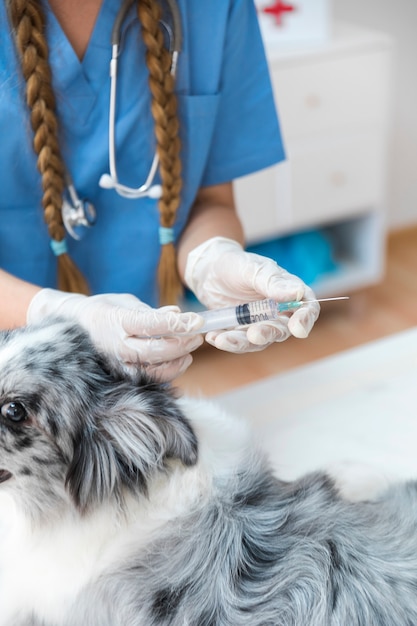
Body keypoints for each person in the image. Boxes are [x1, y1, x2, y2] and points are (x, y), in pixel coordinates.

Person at [0, 0, 320, 381]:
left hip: (134, 370)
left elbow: (210, 202)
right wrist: (54, 314)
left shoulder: (216, 10)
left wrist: (213, 259)